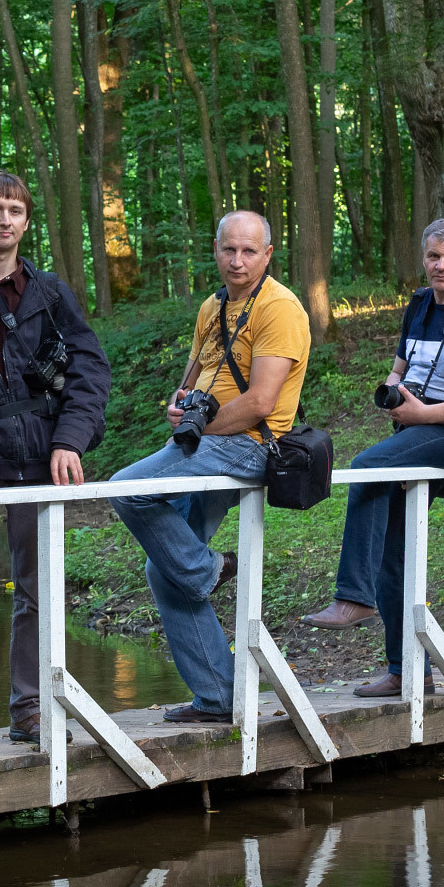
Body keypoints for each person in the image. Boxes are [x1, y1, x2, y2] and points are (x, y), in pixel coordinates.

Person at [301, 217, 444, 697]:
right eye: (434, 257)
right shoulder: (420, 304)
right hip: (419, 426)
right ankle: (407, 672)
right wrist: (395, 393)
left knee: (368, 465)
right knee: (393, 550)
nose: (442, 265)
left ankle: (353, 598)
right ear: (423, 259)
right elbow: (398, 369)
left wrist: (427, 415)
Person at [108, 211, 309, 724]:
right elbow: (193, 378)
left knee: (125, 489)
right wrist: (182, 406)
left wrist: (200, 428)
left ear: (267, 255)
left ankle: (210, 569)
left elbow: (263, 401)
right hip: (209, 441)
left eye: (248, 251)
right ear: (215, 251)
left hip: (251, 444)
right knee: (164, 567)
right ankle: (219, 697)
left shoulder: (280, 308)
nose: (237, 261)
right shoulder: (212, 306)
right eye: (228, 250)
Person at [0, 172, 111, 742]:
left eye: (15, 210)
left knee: (38, 592)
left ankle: (31, 710)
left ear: (27, 221)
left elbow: (89, 370)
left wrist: (70, 439)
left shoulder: (49, 292)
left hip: (39, 462)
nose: (5, 219)